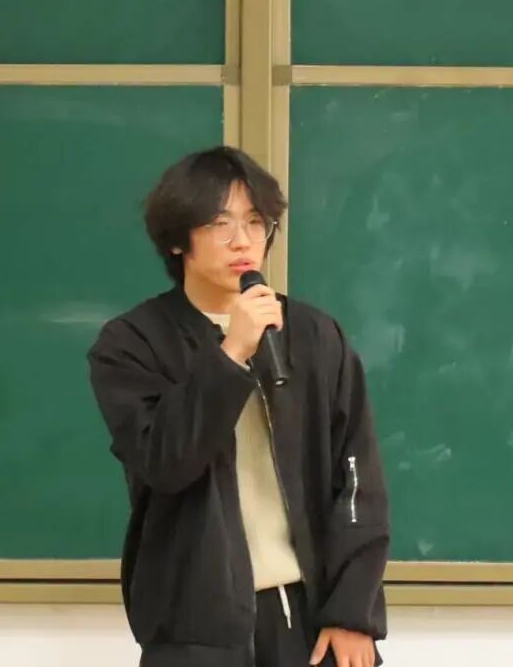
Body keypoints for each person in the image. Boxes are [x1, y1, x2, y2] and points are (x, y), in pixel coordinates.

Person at [87, 146, 389, 667]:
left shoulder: (314, 335)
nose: (243, 240)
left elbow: (358, 478)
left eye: (255, 222)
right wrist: (230, 355)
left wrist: (352, 612)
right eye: (219, 223)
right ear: (177, 239)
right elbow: (166, 461)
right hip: (195, 629)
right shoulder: (132, 344)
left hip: (314, 619)